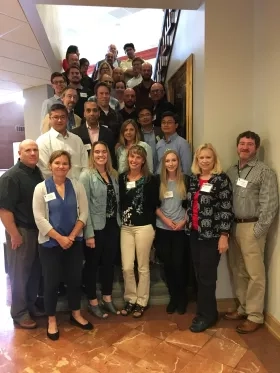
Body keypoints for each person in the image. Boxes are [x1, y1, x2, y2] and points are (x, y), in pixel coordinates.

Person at [33, 150, 92, 341]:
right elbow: (39, 218)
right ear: (50, 166)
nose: (61, 166)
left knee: (75, 279)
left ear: (69, 166)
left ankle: (75, 313)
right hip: (50, 244)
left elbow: (83, 213)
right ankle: (51, 320)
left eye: (65, 163)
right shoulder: (41, 188)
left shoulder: (77, 186)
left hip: (73, 243)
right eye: (57, 163)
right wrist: (60, 238)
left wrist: (72, 236)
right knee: (51, 283)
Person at [225, 131, 278, 333]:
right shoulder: (231, 171)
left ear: (255, 148)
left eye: (249, 144)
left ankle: (255, 315)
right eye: (242, 144)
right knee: (238, 269)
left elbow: (270, 204)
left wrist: (258, 230)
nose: (245, 147)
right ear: (237, 146)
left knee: (255, 273)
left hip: (251, 227)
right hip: (233, 226)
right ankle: (243, 307)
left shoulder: (264, 172)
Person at [186, 143, 233, 333]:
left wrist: (224, 236)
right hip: (194, 233)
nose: (204, 161)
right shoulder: (193, 179)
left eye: (208, 157)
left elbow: (226, 209)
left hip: (211, 236)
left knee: (207, 277)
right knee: (200, 275)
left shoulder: (221, 180)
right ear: (197, 160)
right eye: (201, 158)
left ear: (214, 160)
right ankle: (206, 311)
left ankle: (207, 316)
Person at [0, 140, 43, 329]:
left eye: (35, 150)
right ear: (20, 153)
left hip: (37, 231)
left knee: (34, 272)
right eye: (28, 150)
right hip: (21, 231)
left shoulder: (36, 173)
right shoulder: (11, 177)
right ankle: (19, 312)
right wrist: (14, 234)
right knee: (20, 273)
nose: (32, 153)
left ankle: (30, 305)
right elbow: (4, 210)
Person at [79, 142, 121, 319]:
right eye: (97, 152)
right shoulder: (86, 176)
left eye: (104, 151)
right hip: (95, 228)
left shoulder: (113, 174)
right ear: (92, 155)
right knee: (91, 266)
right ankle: (92, 302)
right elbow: (84, 207)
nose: (101, 155)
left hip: (112, 225)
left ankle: (107, 298)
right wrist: (88, 234)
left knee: (108, 264)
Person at [119, 145, 158, 318]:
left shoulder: (151, 180)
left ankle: (141, 301)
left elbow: (154, 204)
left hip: (144, 227)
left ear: (143, 160)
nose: (134, 160)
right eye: (131, 157)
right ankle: (130, 299)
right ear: (128, 158)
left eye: (138, 157)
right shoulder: (121, 178)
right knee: (127, 267)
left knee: (142, 267)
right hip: (126, 228)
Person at [155, 150, 188, 315]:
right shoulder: (158, 181)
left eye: (174, 160)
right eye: (167, 161)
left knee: (179, 265)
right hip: (163, 229)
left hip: (180, 230)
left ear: (178, 162)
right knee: (167, 265)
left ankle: (181, 299)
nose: (171, 163)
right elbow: (154, 206)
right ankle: (173, 298)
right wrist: (166, 220)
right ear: (164, 163)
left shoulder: (186, 180)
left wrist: (183, 222)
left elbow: (191, 205)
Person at [36, 103, 88, 180]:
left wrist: (80, 184)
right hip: (55, 187)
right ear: (50, 119)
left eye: (62, 117)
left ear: (67, 119)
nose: (59, 120)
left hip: (79, 186)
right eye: (56, 117)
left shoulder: (77, 140)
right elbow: (45, 170)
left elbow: (85, 164)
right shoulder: (42, 141)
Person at [71, 101, 116, 168]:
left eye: (95, 110)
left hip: (104, 171)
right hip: (83, 171)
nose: (92, 113)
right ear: (84, 114)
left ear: (99, 113)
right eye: (88, 110)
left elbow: (112, 156)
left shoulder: (108, 132)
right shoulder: (75, 133)